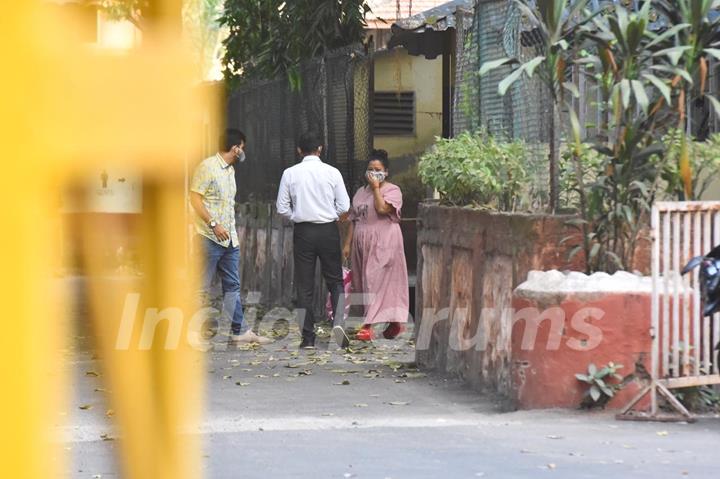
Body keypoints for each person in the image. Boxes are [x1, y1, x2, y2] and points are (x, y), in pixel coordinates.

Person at [189, 128, 271, 345]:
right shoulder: (207, 167)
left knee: (232, 285)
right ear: (235, 147)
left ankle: (240, 331)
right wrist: (213, 224)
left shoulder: (230, 171)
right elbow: (195, 199)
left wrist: (231, 234)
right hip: (208, 236)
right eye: (242, 147)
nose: (243, 152)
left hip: (229, 239)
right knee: (199, 286)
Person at [276, 131, 351, 349]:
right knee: (335, 280)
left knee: (304, 286)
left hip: (303, 232)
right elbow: (344, 207)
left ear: (299, 150)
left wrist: (299, 215)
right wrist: (330, 214)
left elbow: (281, 207)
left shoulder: (290, 173)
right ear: (320, 149)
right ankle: (338, 323)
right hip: (328, 230)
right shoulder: (332, 172)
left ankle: (308, 338)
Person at [342, 149, 409, 341]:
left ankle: (368, 326)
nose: (373, 172)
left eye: (378, 169)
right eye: (370, 169)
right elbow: (354, 219)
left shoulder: (393, 190)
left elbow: (381, 208)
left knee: (375, 281)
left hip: (385, 242)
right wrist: (347, 244)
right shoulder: (360, 192)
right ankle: (395, 323)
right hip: (362, 243)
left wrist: (377, 188)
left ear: (386, 172)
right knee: (363, 282)